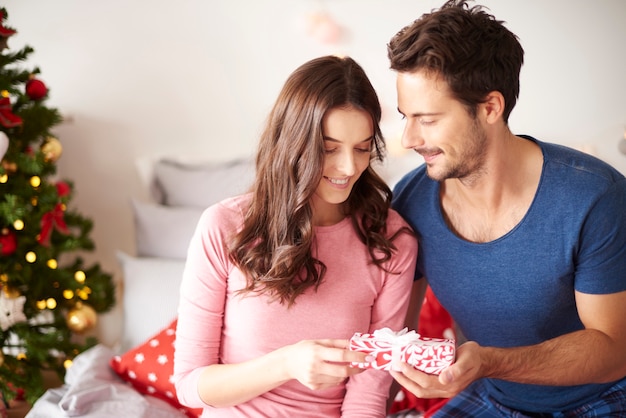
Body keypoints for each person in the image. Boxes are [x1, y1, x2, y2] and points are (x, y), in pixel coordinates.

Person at [386, 1, 626, 416]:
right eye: (404, 116)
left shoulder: (595, 198)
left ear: (490, 108)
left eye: (427, 119)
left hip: (601, 397)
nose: (408, 139)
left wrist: (490, 361)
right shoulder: (409, 202)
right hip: (493, 397)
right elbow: (398, 332)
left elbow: (613, 352)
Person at [172, 55, 418, 417]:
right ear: (293, 141)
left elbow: (368, 395)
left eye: (363, 148)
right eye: (329, 148)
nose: (349, 167)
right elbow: (190, 385)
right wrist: (286, 363)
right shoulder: (224, 226)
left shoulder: (391, 241)